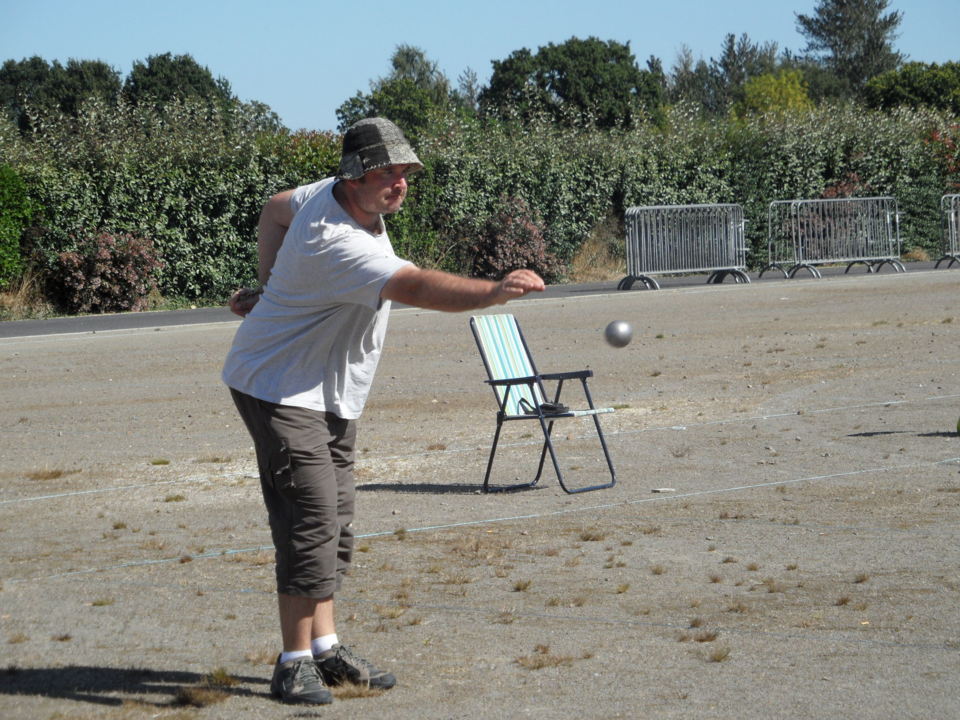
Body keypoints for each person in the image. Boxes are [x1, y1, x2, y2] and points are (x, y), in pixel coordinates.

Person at [222, 117, 544, 706]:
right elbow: (418, 287)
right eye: (383, 173)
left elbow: (273, 208)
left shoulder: (325, 195)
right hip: (278, 386)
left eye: (404, 173)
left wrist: (267, 287)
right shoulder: (335, 239)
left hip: (325, 387)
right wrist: (494, 291)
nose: (397, 184)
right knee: (311, 516)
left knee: (337, 516)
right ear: (353, 177)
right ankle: (292, 662)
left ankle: (325, 648)